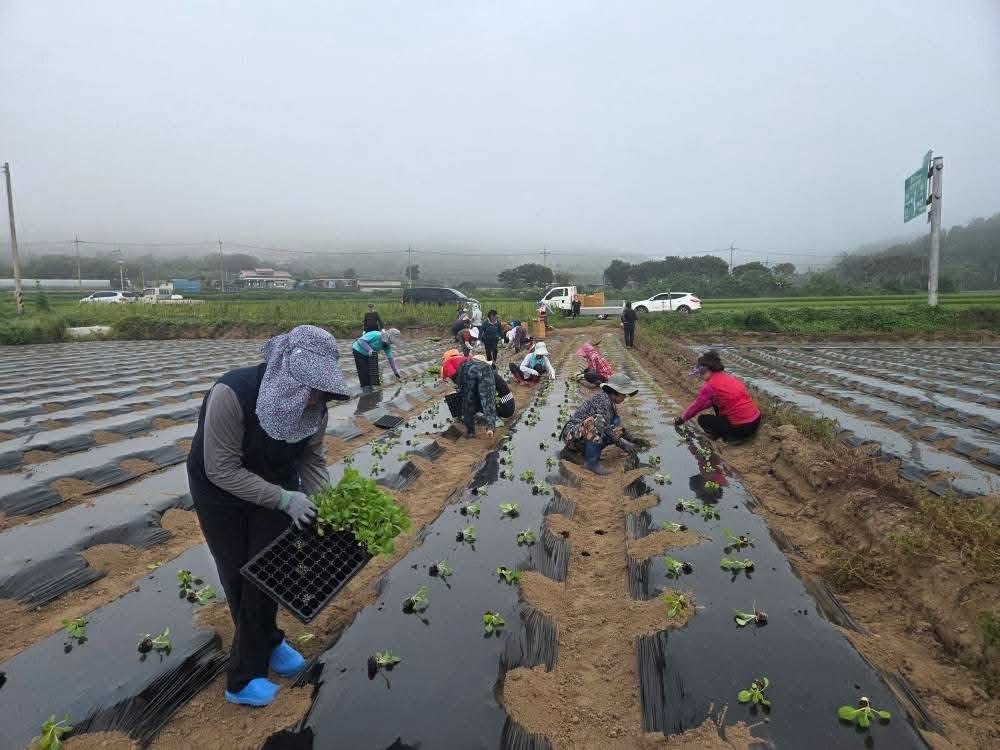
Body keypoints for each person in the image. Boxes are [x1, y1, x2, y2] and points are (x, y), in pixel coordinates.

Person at [186, 325, 350, 707]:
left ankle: (269, 642)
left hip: (278, 485)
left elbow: (311, 458)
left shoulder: (316, 411)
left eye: (321, 389)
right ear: (288, 375)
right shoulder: (232, 394)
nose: (316, 397)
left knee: (268, 571)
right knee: (237, 573)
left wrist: (323, 501)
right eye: (312, 387)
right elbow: (221, 469)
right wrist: (283, 500)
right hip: (219, 493)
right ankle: (243, 678)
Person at [560, 373, 639, 474]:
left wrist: (632, 439)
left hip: (583, 436)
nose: (625, 397)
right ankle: (591, 463)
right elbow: (605, 428)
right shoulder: (602, 400)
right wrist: (623, 445)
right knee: (598, 420)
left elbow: (616, 428)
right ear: (615, 392)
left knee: (615, 422)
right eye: (623, 394)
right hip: (571, 435)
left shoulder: (611, 403)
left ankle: (591, 452)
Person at [675, 349, 761, 441]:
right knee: (715, 403)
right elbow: (709, 403)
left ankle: (728, 437)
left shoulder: (710, 386)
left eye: (700, 372)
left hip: (742, 428)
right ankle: (726, 433)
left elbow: (696, 406)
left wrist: (682, 419)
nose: (700, 375)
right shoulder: (727, 377)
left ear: (706, 370)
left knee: (703, 420)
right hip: (755, 421)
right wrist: (689, 413)